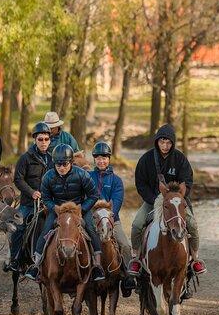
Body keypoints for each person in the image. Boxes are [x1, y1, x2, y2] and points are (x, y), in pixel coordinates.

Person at [128, 124, 206, 278]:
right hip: (152, 201)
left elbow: (188, 182)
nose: (165, 146)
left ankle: (195, 259)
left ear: (173, 143)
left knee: (191, 224)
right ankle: (136, 257)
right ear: (157, 141)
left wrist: (179, 197)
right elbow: (140, 184)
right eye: (162, 142)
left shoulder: (180, 159)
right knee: (137, 225)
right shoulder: (146, 159)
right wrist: (152, 199)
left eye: (168, 143)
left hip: (176, 202)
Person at [25, 144, 105, 282]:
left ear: (71, 162)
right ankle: (36, 265)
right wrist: (54, 208)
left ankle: (97, 266)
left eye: (65, 164)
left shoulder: (82, 174)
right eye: (58, 164)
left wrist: (82, 209)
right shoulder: (48, 177)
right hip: (58, 209)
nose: (61, 167)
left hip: (79, 209)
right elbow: (46, 197)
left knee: (91, 229)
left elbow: (94, 195)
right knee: (45, 230)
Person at [89, 141, 136, 295]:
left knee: (125, 244)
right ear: (94, 159)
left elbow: (116, 203)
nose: (101, 161)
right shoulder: (88, 177)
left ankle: (128, 276)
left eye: (104, 158)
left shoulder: (116, 181)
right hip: (91, 220)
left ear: (109, 159)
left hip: (111, 220)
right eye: (98, 158)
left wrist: (107, 217)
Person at [7, 122, 53, 272]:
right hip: (29, 203)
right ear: (35, 139)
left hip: (48, 203)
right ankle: (15, 259)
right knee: (19, 227)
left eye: (46, 139)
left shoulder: (53, 159)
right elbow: (18, 179)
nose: (44, 142)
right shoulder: (25, 158)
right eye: (40, 139)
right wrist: (32, 192)